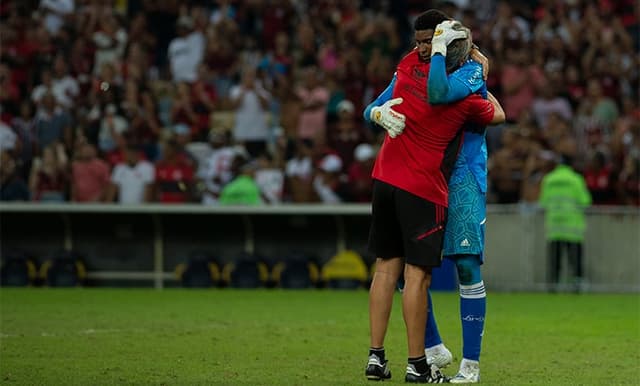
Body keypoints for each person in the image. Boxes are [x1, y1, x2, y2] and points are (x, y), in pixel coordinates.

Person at [362, 15, 505, 383]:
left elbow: (495, 113)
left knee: (465, 266)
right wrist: (377, 112)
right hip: (422, 176)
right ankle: (431, 348)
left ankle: (470, 364)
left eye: (430, 42)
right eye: (419, 42)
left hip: (461, 176)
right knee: (408, 271)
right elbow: (376, 103)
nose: (422, 48)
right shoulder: (414, 63)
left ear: (447, 42)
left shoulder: (471, 69)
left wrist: (479, 79)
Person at [539, 155, 592, 293]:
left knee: (555, 260)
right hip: (573, 228)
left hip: (554, 227)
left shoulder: (549, 179)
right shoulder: (576, 179)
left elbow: (544, 202)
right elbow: (585, 201)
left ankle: (553, 285)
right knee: (575, 260)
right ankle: (577, 285)